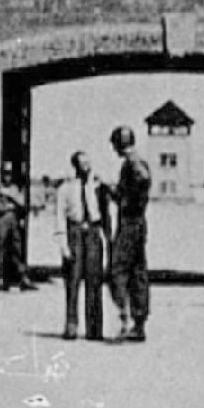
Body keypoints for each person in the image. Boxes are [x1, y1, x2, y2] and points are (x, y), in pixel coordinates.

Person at [54, 150, 110, 341]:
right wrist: (64, 245)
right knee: (73, 280)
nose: (87, 167)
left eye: (89, 163)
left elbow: (106, 213)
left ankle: (94, 329)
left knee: (94, 281)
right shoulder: (65, 189)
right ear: (75, 166)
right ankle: (71, 325)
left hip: (93, 233)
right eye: (82, 164)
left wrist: (106, 238)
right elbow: (60, 217)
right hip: (74, 232)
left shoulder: (98, 187)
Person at [104, 125, 152, 343]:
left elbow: (141, 179)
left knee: (118, 271)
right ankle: (139, 323)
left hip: (130, 222)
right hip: (139, 221)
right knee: (138, 271)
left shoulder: (132, 163)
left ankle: (123, 320)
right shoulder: (139, 161)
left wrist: (114, 193)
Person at [0, 162, 37, 291]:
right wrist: (10, 205)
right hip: (1, 221)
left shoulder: (14, 188)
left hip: (13, 221)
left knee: (17, 249)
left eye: (9, 174)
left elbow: (22, 203)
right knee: (0, 249)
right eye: (5, 173)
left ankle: (23, 277)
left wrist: (11, 197)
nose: (7, 177)